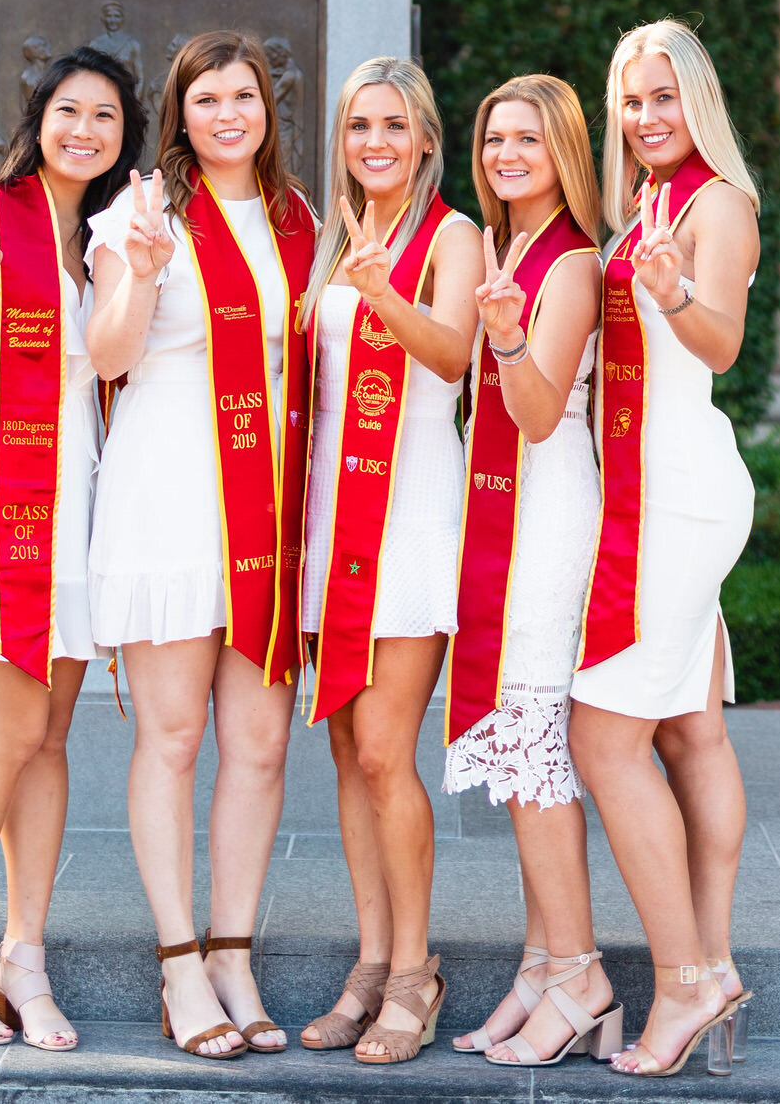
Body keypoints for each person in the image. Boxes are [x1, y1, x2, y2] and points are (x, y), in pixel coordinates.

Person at [83, 30, 315, 1060]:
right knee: (172, 739)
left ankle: (233, 951)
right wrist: (136, 275)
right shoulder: (144, 212)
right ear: (178, 114)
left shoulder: (299, 218)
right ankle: (179, 961)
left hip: (264, 508)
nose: (229, 114)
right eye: (207, 98)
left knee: (258, 746)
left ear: (268, 108)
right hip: (169, 499)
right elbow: (106, 353)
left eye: (245, 96)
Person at [0, 47, 144, 1049]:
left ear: (122, 136)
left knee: (50, 737)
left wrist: (140, 267)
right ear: (37, 118)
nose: (83, 128)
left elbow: (116, 364)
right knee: (6, 731)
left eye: (104, 115)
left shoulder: (104, 237)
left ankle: (25, 954)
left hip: (72, 496)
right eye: (67, 110)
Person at [568, 20, 761, 1079]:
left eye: (661, 97)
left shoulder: (715, 203)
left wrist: (676, 288)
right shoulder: (645, 200)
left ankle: (681, 982)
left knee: (604, 740)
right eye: (629, 100)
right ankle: (717, 958)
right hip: (647, 487)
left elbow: (722, 341)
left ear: (697, 99)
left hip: (676, 498)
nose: (645, 116)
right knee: (688, 731)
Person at [296, 59, 480, 1065]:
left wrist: (381, 292)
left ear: (423, 137)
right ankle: (369, 960)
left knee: (382, 749)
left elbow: (452, 358)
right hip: (332, 520)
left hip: (407, 515)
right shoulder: (333, 236)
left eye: (393, 124)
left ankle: (415, 969)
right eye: (359, 124)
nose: (374, 141)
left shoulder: (451, 235)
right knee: (340, 747)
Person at [443, 74, 620, 1068]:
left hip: (548, 517)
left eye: (527, 138)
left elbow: (540, 410)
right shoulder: (510, 244)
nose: (507, 153)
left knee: (533, 747)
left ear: (562, 151)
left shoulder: (572, 262)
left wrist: (505, 336)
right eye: (494, 136)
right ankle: (540, 960)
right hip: (505, 514)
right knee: (518, 755)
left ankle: (581, 973)